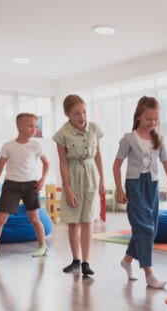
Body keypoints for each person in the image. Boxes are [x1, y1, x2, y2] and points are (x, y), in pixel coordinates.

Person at [113, 96, 167, 289]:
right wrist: (119, 190)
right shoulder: (129, 139)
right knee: (146, 229)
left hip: (152, 186)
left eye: (156, 118)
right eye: (149, 118)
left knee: (149, 228)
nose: (153, 122)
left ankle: (126, 261)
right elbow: (116, 165)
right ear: (139, 117)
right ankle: (149, 273)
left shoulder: (158, 139)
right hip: (134, 186)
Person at [0, 113, 49, 264]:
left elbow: (47, 164)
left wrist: (42, 179)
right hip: (11, 185)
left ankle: (42, 246)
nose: (34, 129)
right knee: (0, 219)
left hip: (30, 185)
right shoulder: (8, 146)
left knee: (34, 218)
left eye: (36, 126)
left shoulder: (36, 145)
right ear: (19, 127)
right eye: (30, 126)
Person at [53, 94, 105, 276]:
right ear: (67, 114)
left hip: (91, 175)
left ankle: (86, 263)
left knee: (88, 221)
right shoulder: (62, 134)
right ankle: (75, 259)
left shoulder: (95, 129)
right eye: (76, 113)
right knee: (73, 223)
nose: (82, 116)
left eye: (83, 111)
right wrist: (66, 188)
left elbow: (98, 155)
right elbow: (63, 162)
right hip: (72, 176)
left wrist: (102, 179)